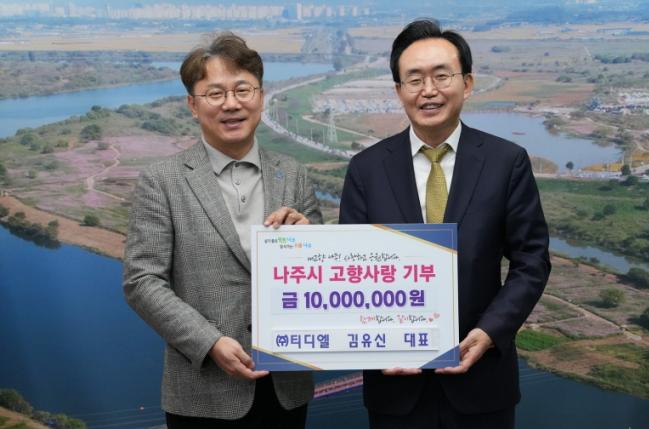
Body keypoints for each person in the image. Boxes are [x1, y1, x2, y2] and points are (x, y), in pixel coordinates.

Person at [339, 19, 551, 429]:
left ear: (467, 83)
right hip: (395, 389)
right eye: (414, 79)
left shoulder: (506, 162)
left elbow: (532, 261)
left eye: (441, 76)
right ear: (398, 91)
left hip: (482, 382)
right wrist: (378, 349)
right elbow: (352, 274)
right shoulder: (366, 169)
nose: (429, 90)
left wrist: (490, 332)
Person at [123, 32, 321, 428]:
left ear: (261, 97)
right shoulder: (162, 181)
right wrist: (209, 342)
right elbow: (142, 280)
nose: (231, 104)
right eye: (215, 93)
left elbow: (320, 272)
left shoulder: (294, 174)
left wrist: (311, 239)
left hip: (286, 389)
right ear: (193, 105)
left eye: (243, 90)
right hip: (203, 394)